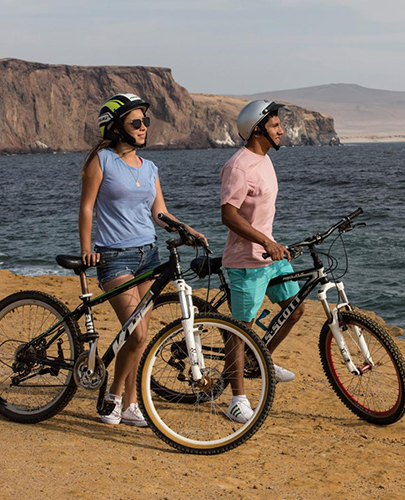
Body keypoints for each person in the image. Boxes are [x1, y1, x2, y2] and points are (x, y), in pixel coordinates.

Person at [79, 93, 206, 426]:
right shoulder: (101, 161)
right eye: (136, 122)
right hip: (113, 257)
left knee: (139, 336)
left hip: (149, 254)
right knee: (134, 333)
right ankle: (113, 397)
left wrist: (186, 228)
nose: (143, 127)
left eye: (145, 122)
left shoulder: (149, 168)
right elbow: (87, 207)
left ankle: (131, 405)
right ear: (117, 126)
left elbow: (159, 212)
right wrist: (86, 247)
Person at [220, 99, 305, 423]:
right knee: (241, 330)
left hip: (271, 255)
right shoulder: (239, 166)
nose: (282, 130)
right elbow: (228, 214)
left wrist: (272, 243)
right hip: (246, 261)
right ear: (257, 129)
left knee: (295, 309)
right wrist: (265, 242)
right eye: (275, 125)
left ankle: (262, 359)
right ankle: (237, 400)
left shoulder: (265, 160)